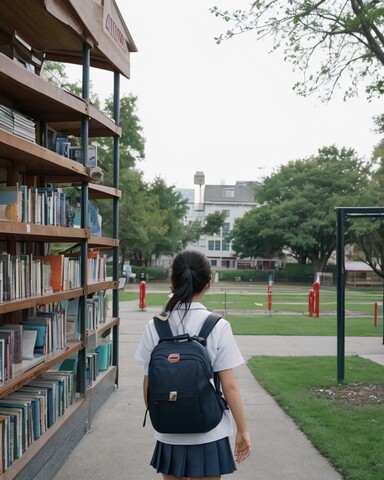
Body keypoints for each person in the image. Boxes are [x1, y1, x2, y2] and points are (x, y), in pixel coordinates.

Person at [135, 249, 251, 480]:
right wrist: (243, 430)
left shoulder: (155, 326)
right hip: (209, 431)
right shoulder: (218, 326)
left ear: (172, 280)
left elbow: (149, 385)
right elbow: (229, 387)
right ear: (208, 284)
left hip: (169, 434)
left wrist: (165, 417)